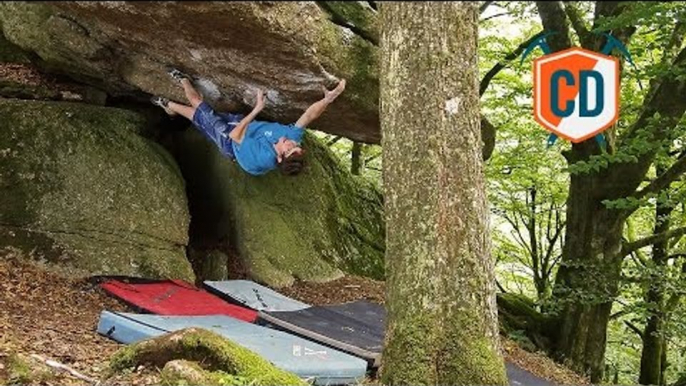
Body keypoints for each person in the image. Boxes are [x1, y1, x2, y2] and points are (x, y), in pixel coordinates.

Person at [151, 67, 346, 176]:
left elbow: (235, 135)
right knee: (200, 116)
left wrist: (257, 109)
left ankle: (182, 82)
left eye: (289, 148)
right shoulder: (291, 139)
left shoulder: (262, 156)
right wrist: (328, 100)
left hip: (231, 142)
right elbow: (309, 116)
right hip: (243, 129)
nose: (291, 142)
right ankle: (169, 106)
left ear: (279, 157)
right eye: (296, 145)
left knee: (198, 106)